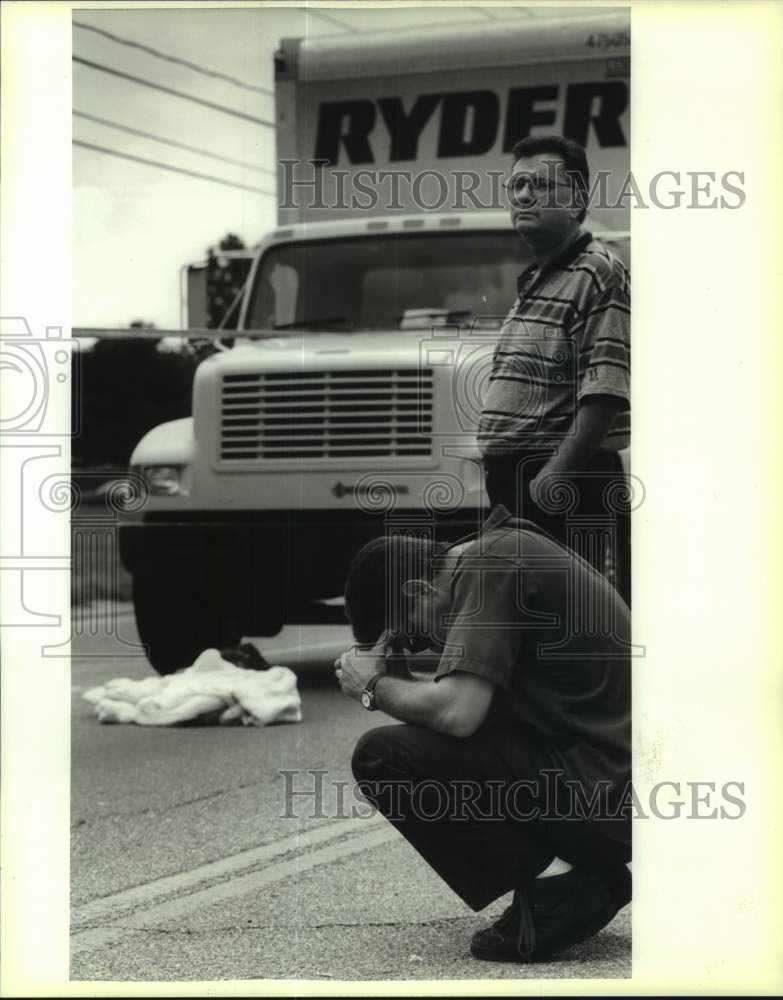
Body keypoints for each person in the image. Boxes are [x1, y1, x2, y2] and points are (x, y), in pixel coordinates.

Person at [336, 507, 632, 963]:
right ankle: (589, 878)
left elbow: (458, 714)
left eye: (414, 637)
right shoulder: (503, 552)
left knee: (382, 757)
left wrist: (372, 687)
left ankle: (561, 888)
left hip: (603, 788)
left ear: (418, 590)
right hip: (609, 781)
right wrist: (400, 673)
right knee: (422, 749)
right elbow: (458, 727)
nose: (432, 647)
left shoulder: (490, 567)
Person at [479, 134, 631, 603]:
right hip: (524, 485)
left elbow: (604, 392)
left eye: (540, 185)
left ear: (578, 200)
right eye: (517, 185)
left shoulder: (597, 271)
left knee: (578, 628)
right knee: (531, 627)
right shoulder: (543, 276)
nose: (523, 196)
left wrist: (554, 476)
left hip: (566, 485)